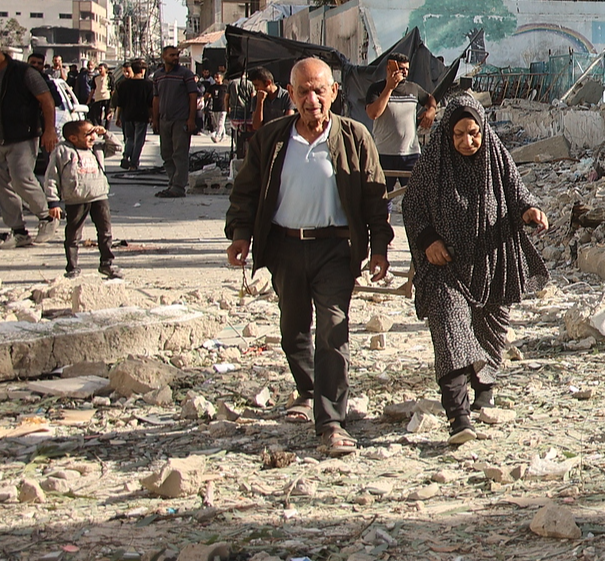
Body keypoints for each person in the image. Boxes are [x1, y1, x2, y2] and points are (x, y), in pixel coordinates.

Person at [224, 57, 392, 457]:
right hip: (285, 248)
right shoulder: (271, 139)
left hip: (335, 248)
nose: (312, 99)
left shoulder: (354, 137)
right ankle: (311, 390)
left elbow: (375, 197)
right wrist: (240, 235)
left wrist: (380, 248)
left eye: (319, 90)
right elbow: (244, 193)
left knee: (333, 329)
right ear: (291, 94)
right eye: (303, 91)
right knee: (292, 332)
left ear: (334, 92)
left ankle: (331, 422)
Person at [404, 95, 548, 443]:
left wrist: (530, 212)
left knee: (488, 332)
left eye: (473, 133)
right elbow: (412, 208)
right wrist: (428, 242)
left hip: (490, 263)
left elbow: (517, 193)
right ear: (447, 134)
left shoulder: (496, 157)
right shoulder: (432, 164)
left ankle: (485, 386)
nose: (467, 142)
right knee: (450, 331)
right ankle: (458, 417)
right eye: (458, 135)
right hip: (445, 268)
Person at [0, 38, 57, 249]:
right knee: (0, 187)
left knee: (21, 179)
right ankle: (18, 231)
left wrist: (49, 129)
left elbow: (47, 101)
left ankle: (47, 217)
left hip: (22, 136)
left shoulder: (23, 72)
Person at [42, 119, 121, 279]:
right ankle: (73, 268)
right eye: (88, 134)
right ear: (73, 138)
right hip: (76, 199)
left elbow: (117, 147)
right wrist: (53, 202)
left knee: (105, 232)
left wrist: (105, 133)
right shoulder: (62, 152)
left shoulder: (96, 148)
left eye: (94, 132)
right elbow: (51, 177)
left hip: (99, 196)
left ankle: (107, 264)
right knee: (73, 235)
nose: (93, 137)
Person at [363, 53, 436, 177]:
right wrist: (389, 88)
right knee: (383, 194)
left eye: (407, 69)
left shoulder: (413, 88)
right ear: (389, 68)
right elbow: (373, 114)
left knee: (414, 193)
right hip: (384, 153)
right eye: (401, 68)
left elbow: (429, 98)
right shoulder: (377, 89)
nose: (405, 72)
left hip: (411, 153)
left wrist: (432, 110)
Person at [150, 45, 201, 197]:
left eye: (177, 55)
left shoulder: (186, 74)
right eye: (172, 55)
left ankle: (179, 186)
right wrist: (155, 119)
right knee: (166, 153)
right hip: (165, 119)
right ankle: (172, 183)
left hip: (181, 120)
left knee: (180, 153)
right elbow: (156, 98)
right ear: (164, 56)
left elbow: (193, 97)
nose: (175, 58)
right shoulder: (158, 75)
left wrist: (191, 119)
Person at [114, 61, 152, 169]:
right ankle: (134, 163)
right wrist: (153, 117)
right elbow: (151, 103)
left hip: (127, 115)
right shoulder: (148, 85)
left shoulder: (123, 84)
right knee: (139, 140)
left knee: (129, 138)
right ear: (142, 71)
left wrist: (118, 117)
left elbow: (119, 103)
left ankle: (126, 155)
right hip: (142, 115)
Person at [89, 64, 111, 130]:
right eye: (99, 69)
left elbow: (112, 89)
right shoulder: (95, 78)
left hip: (107, 97)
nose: (100, 70)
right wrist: (89, 99)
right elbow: (93, 89)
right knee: (97, 115)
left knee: (108, 115)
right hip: (98, 97)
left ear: (106, 69)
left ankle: (107, 129)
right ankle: (101, 127)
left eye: (101, 68)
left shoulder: (109, 77)